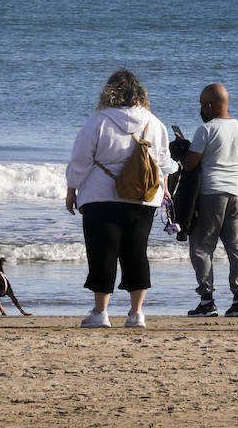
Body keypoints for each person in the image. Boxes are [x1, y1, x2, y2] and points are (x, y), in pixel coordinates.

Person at [65, 69, 178, 329]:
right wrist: (165, 190)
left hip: (100, 197)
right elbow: (163, 164)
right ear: (140, 94)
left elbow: (80, 161)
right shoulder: (154, 123)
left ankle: (100, 313)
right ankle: (136, 313)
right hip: (143, 197)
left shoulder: (98, 122)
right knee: (136, 253)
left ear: (109, 92)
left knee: (102, 253)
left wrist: (72, 189)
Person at [180, 84, 238, 318]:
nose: (200, 109)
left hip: (210, 194)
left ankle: (207, 301)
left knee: (202, 247)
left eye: (201, 104)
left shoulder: (206, 130)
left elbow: (189, 164)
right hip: (236, 194)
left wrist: (181, 148)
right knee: (236, 248)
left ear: (210, 105)